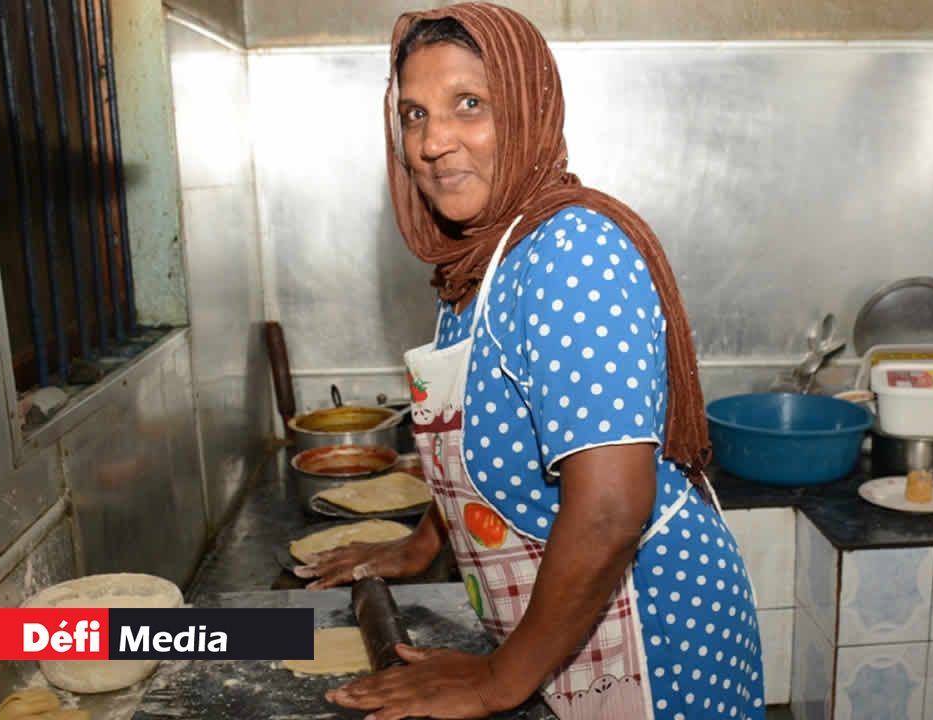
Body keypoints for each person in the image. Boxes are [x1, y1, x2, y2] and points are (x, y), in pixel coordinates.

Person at [295, 4, 765, 719]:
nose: (432, 142)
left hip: (654, 630)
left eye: (469, 105)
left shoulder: (570, 252)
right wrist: (423, 542)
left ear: (527, 108)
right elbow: (483, 439)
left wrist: (495, 680)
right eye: (415, 115)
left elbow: (610, 508)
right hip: (565, 632)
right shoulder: (480, 262)